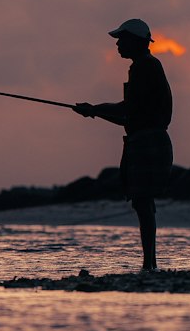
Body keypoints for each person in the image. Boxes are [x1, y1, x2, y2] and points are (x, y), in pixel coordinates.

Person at [74, 18, 173, 271]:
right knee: (143, 201)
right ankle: (149, 263)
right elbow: (130, 113)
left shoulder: (144, 67)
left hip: (147, 141)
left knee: (142, 201)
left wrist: (94, 110)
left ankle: (149, 264)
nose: (117, 44)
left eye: (122, 39)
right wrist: (94, 111)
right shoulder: (146, 66)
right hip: (146, 139)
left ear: (136, 41)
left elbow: (128, 111)